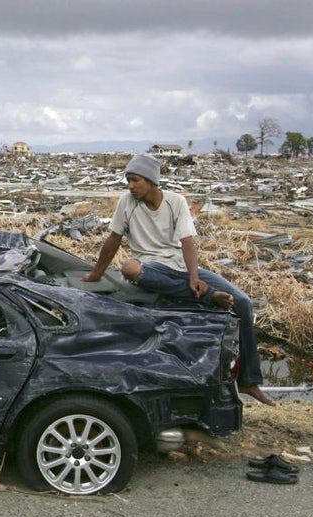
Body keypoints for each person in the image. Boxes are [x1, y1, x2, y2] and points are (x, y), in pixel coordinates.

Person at [81, 154, 275, 406]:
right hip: (151, 268)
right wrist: (95, 274)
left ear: (151, 181)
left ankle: (249, 381)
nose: (130, 186)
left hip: (179, 268)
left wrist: (194, 277)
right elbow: (113, 240)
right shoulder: (127, 203)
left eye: (135, 180)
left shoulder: (175, 202)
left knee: (243, 302)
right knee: (129, 268)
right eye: (128, 180)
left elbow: (187, 242)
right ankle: (209, 298)